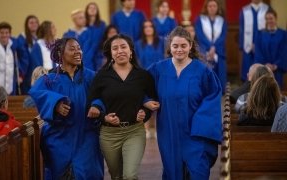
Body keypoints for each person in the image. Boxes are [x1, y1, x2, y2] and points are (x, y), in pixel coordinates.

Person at [146, 26, 222, 179]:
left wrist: (200, 124)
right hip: (169, 131)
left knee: (198, 171)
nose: (179, 49)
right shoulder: (158, 69)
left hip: (195, 132)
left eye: (183, 45)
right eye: (175, 46)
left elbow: (213, 96)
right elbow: (141, 86)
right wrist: (146, 101)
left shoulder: (202, 71)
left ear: (190, 46)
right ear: (170, 47)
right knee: (173, 172)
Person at [29, 37, 103, 179]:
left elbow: (102, 94)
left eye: (79, 48)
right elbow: (36, 93)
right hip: (59, 138)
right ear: (60, 54)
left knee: (88, 173)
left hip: (86, 135)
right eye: (72, 49)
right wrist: (55, 104)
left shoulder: (91, 76)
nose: (78, 52)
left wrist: (97, 105)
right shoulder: (49, 79)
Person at [87, 34, 157, 179]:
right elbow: (91, 103)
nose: (120, 51)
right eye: (115, 48)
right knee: (116, 176)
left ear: (131, 50)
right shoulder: (101, 76)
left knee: (130, 176)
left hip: (135, 131)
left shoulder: (143, 76)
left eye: (123, 47)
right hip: (109, 134)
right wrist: (103, 117)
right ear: (111, 53)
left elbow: (152, 101)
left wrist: (144, 112)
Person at [195, 0, 227, 93]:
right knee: (206, 70)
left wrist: (214, 47)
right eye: (210, 6)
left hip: (219, 50)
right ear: (206, 7)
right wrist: (210, 47)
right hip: (204, 49)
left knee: (219, 71)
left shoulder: (222, 20)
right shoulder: (200, 19)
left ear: (217, 7)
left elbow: (223, 36)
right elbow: (200, 35)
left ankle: (219, 91)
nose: (212, 8)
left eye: (214, 6)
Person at [254, 8, 287, 88]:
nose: (269, 21)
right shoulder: (260, 34)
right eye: (267, 19)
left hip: (278, 70)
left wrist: (276, 65)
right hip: (264, 69)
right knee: (264, 91)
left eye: (271, 18)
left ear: (276, 18)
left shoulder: (283, 34)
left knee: (278, 91)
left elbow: (284, 51)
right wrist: (265, 65)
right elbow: (258, 51)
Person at [239, 0, 269, 81]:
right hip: (248, 47)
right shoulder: (244, 10)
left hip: (263, 47)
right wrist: (243, 45)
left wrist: (258, 45)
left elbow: (268, 28)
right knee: (247, 71)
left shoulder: (267, 9)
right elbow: (241, 29)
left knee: (261, 73)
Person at [17, 15, 40, 94]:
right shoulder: (22, 38)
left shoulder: (40, 39)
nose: (34, 24)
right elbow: (22, 58)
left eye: (36, 22)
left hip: (39, 72)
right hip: (27, 73)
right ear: (27, 25)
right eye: (31, 23)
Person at [85, 2, 106, 70]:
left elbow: (105, 39)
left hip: (99, 53)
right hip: (86, 53)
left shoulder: (102, 25)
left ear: (97, 11)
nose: (92, 9)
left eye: (94, 8)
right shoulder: (83, 25)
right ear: (87, 10)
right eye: (90, 8)